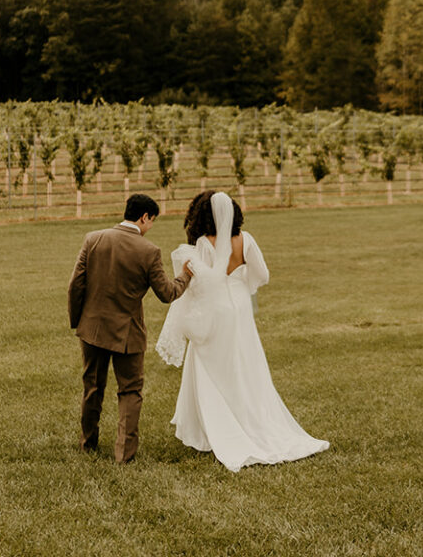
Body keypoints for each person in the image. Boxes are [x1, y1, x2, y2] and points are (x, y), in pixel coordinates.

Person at [155, 190, 328, 472]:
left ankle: (211, 429)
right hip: (240, 308)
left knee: (210, 364)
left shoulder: (202, 243)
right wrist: (242, 282)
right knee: (244, 361)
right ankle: (250, 417)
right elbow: (263, 275)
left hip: (215, 310)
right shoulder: (246, 240)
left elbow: (199, 283)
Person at [67, 193, 193, 463]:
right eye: (151, 222)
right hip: (127, 334)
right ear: (144, 217)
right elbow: (167, 293)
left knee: (92, 387)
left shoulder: (93, 238)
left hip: (91, 330)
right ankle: (124, 455)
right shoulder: (148, 251)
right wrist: (185, 276)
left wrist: (78, 322)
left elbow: (75, 284)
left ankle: (87, 444)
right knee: (130, 392)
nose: (150, 228)